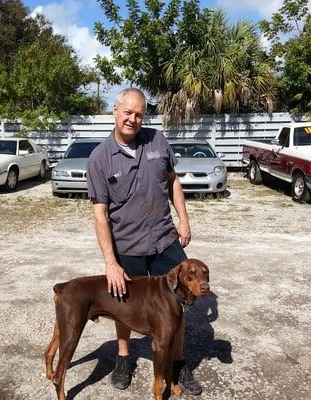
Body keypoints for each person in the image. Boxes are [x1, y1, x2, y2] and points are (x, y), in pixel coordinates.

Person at [86, 88, 202, 395]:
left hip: (164, 239)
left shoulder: (157, 140)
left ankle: (177, 363)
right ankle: (123, 358)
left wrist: (184, 219)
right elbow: (100, 215)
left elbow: (172, 179)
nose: (133, 119)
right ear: (115, 111)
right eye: (127, 112)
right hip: (128, 246)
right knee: (123, 304)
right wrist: (111, 263)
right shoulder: (99, 159)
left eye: (139, 114)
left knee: (178, 303)